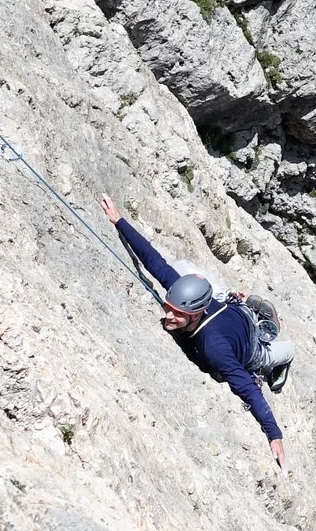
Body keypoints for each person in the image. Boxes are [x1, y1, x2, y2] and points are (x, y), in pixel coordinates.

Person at [101, 196, 288, 470]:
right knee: (181, 267)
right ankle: (244, 304)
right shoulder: (186, 299)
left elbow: (247, 389)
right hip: (226, 308)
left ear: (195, 313)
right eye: (169, 308)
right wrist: (119, 221)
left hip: (251, 348)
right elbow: (154, 261)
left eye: (177, 314)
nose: (168, 316)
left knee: (286, 350)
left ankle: (270, 329)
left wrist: (274, 434)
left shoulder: (215, 348)